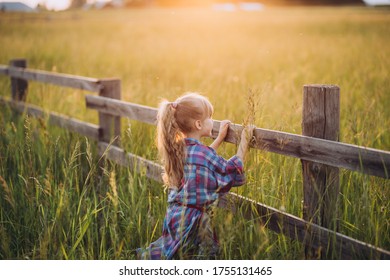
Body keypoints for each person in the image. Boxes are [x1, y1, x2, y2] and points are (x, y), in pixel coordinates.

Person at [137, 92, 254, 260]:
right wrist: (244, 142)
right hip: (196, 222)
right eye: (210, 117)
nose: (213, 121)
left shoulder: (178, 149)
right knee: (207, 255)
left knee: (175, 252)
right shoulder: (202, 154)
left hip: (175, 215)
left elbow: (202, 159)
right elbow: (231, 171)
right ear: (199, 124)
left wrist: (220, 137)